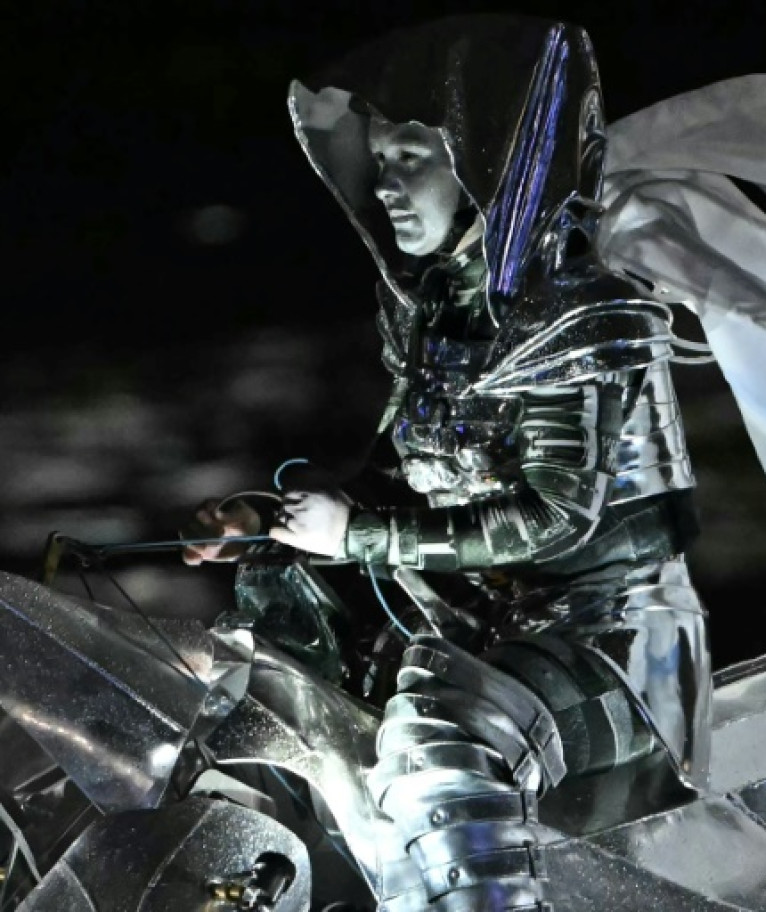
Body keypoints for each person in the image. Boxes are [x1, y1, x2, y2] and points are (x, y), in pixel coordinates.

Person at [184, 16, 709, 911]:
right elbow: (403, 474)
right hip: (481, 631)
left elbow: (554, 516)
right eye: (378, 161)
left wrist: (360, 533)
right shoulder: (437, 314)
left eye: (409, 160)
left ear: (480, 163)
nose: (383, 185)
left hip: (617, 647)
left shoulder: (578, 311)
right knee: (278, 672)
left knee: (438, 735)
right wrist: (270, 521)